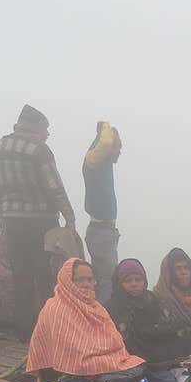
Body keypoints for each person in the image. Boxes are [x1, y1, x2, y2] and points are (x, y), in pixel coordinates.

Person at [0, 104, 76, 340]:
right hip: (42, 223)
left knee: (21, 276)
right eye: (46, 129)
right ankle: (48, 329)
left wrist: (2, 216)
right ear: (35, 128)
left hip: (12, 222)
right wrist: (69, 217)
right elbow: (54, 187)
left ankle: (25, 331)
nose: (47, 135)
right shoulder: (39, 150)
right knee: (45, 274)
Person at [26, 258, 153, 382]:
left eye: (90, 279)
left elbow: (114, 344)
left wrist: (110, 364)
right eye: (80, 280)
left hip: (96, 375)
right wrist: (107, 364)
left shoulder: (95, 308)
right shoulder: (56, 308)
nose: (87, 284)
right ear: (67, 281)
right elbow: (77, 356)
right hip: (63, 381)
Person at [105, 258, 191, 382]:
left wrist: (155, 333)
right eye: (128, 280)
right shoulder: (113, 308)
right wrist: (156, 333)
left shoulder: (153, 300)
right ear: (119, 283)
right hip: (135, 363)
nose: (134, 284)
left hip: (164, 359)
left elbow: (175, 326)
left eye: (138, 279)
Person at [83, 121, 123, 303]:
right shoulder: (94, 162)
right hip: (101, 232)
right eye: (118, 147)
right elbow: (106, 142)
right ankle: (105, 320)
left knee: (104, 279)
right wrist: (105, 127)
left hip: (103, 231)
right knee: (107, 280)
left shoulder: (101, 165)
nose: (119, 151)